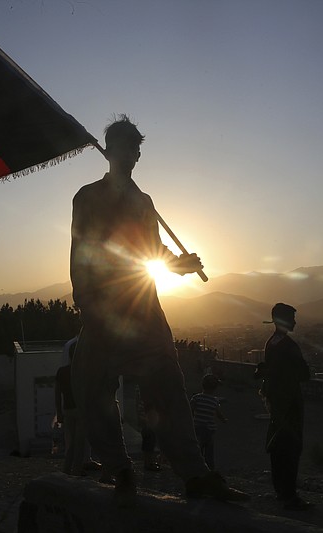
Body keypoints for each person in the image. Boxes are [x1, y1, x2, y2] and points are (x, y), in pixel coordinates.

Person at [69, 115, 248, 507]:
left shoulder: (143, 202)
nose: (132, 156)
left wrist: (180, 265)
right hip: (101, 311)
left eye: (137, 150)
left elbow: (153, 252)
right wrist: (84, 301)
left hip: (142, 307)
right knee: (90, 390)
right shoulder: (87, 197)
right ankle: (119, 469)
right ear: (110, 148)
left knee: (167, 390)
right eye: (126, 147)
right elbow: (80, 250)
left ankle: (195, 475)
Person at [259, 303, 311, 510]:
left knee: (279, 447)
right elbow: (304, 375)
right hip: (289, 403)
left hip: (277, 403)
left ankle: (282, 491)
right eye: (291, 318)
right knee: (291, 448)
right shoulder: (288, 346)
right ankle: (289, 495)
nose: (295, 322)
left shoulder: (270, 343)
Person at [55, 336, 98, 476]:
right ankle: (77, 469)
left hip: (67, 410)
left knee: (70, 443)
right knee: (79, 443)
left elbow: (57, 394)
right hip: (80, 411)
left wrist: (59, 414)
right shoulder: (83, 372)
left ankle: (66, 469)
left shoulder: (61, 372)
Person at [189, 374, 227, 470]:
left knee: (198, 450)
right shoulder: (214, 401)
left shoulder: (196, 398)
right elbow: (218, 413)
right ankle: (210, 470)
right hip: (209, 430)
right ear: (215, 388)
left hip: (197, 428)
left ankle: (197, 468)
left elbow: (190, 410)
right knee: (209, 452)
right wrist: (224, 420)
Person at [135, 384, 161, 472]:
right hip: (148, 422)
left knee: (147, 443)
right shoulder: (148, 397)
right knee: (150, 443)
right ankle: (148, 463)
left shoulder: (140, 395)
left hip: (144, 422)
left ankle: (148, 462)